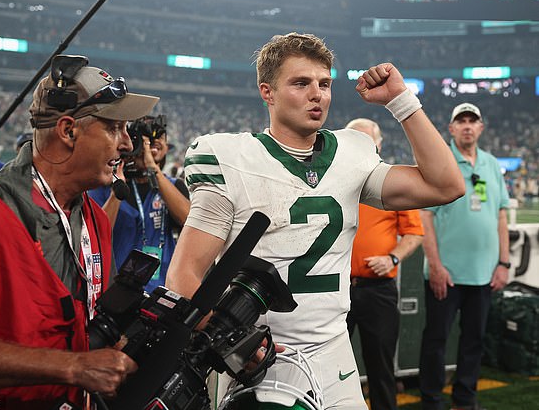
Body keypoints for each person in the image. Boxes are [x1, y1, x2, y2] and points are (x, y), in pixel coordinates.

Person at [165, 32, 464, 409]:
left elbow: (446, 185)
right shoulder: (228, 156)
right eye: (301, 83)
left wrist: (400, 101)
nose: (317, 93)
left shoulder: (352, 153)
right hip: (261, 357)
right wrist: (235, 341)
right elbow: (184, 275)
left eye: (324, 84)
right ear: (267, 92)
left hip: (335, 354)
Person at [0, 56, 159, 408]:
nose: (128, 144)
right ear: (68, 131)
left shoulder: (96, 220)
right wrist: (72, 366)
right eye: (115, 127)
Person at [418, 103, 510, 410]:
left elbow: (500, 217)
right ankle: (431, 400)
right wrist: (436, 265)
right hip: (447, 273)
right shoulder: (440, 161)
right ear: (451, 128)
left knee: (474, 340)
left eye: (473, 121)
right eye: (462, 121)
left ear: (481, 128)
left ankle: (465, 399)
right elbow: (426, 218)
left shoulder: (491, 165)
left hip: (484, 272)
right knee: (436, 341)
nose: (468, 126)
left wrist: (504, 263)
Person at [345, 118, 424, 410]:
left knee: (380, 368)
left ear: (379, 144)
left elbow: (414, 233)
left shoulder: (394, 181)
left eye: (367, 141)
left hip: (377, 290)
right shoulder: (331, 181)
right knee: (328, 365)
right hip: (334, 288)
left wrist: (392, 257)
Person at [88, 115, 190, 292]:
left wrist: (153, 169)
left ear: (165, 149)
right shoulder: (106, 186)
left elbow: (187, 220)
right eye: (144, 142)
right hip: (114, 287)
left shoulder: (174, 186)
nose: (149, 147)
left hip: (159, 289)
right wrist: (117, 191)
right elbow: (95, 234)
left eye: (158, 140)